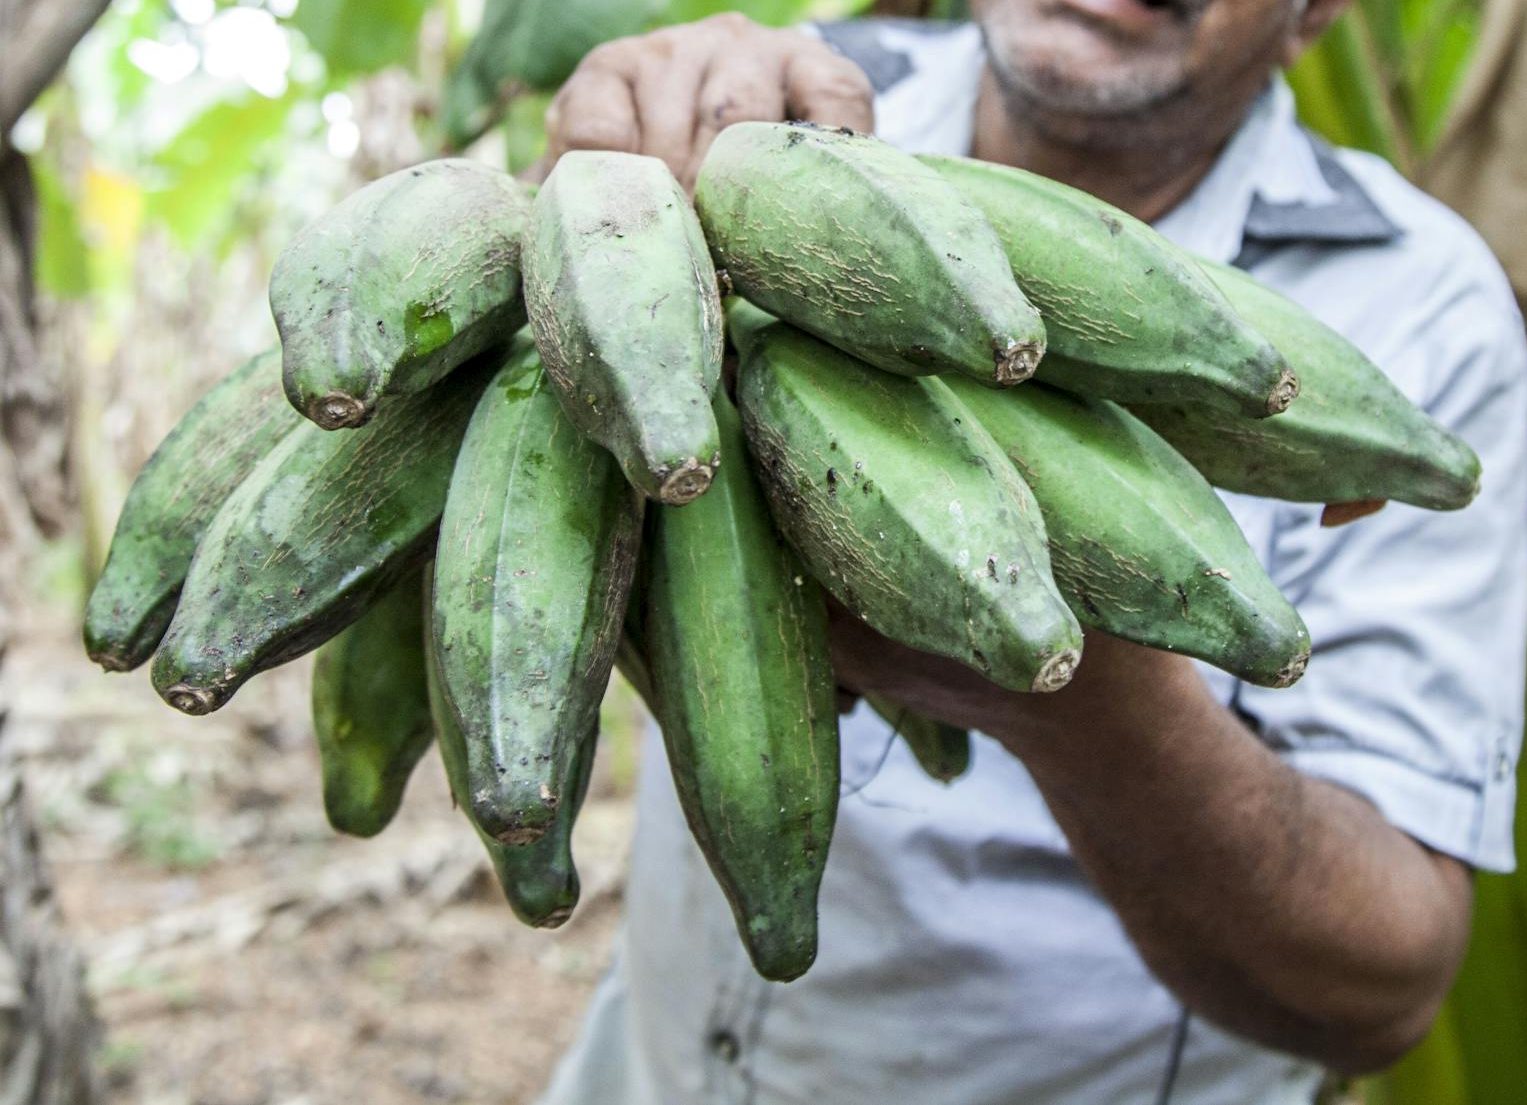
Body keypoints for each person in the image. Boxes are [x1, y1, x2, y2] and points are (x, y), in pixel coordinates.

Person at [530, 2, 1527, 1102]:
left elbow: (1382, 986)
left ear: (1315, 16)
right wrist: (593, 226)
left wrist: (1083, 708)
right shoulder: (793, 95)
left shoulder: (1423, 309)